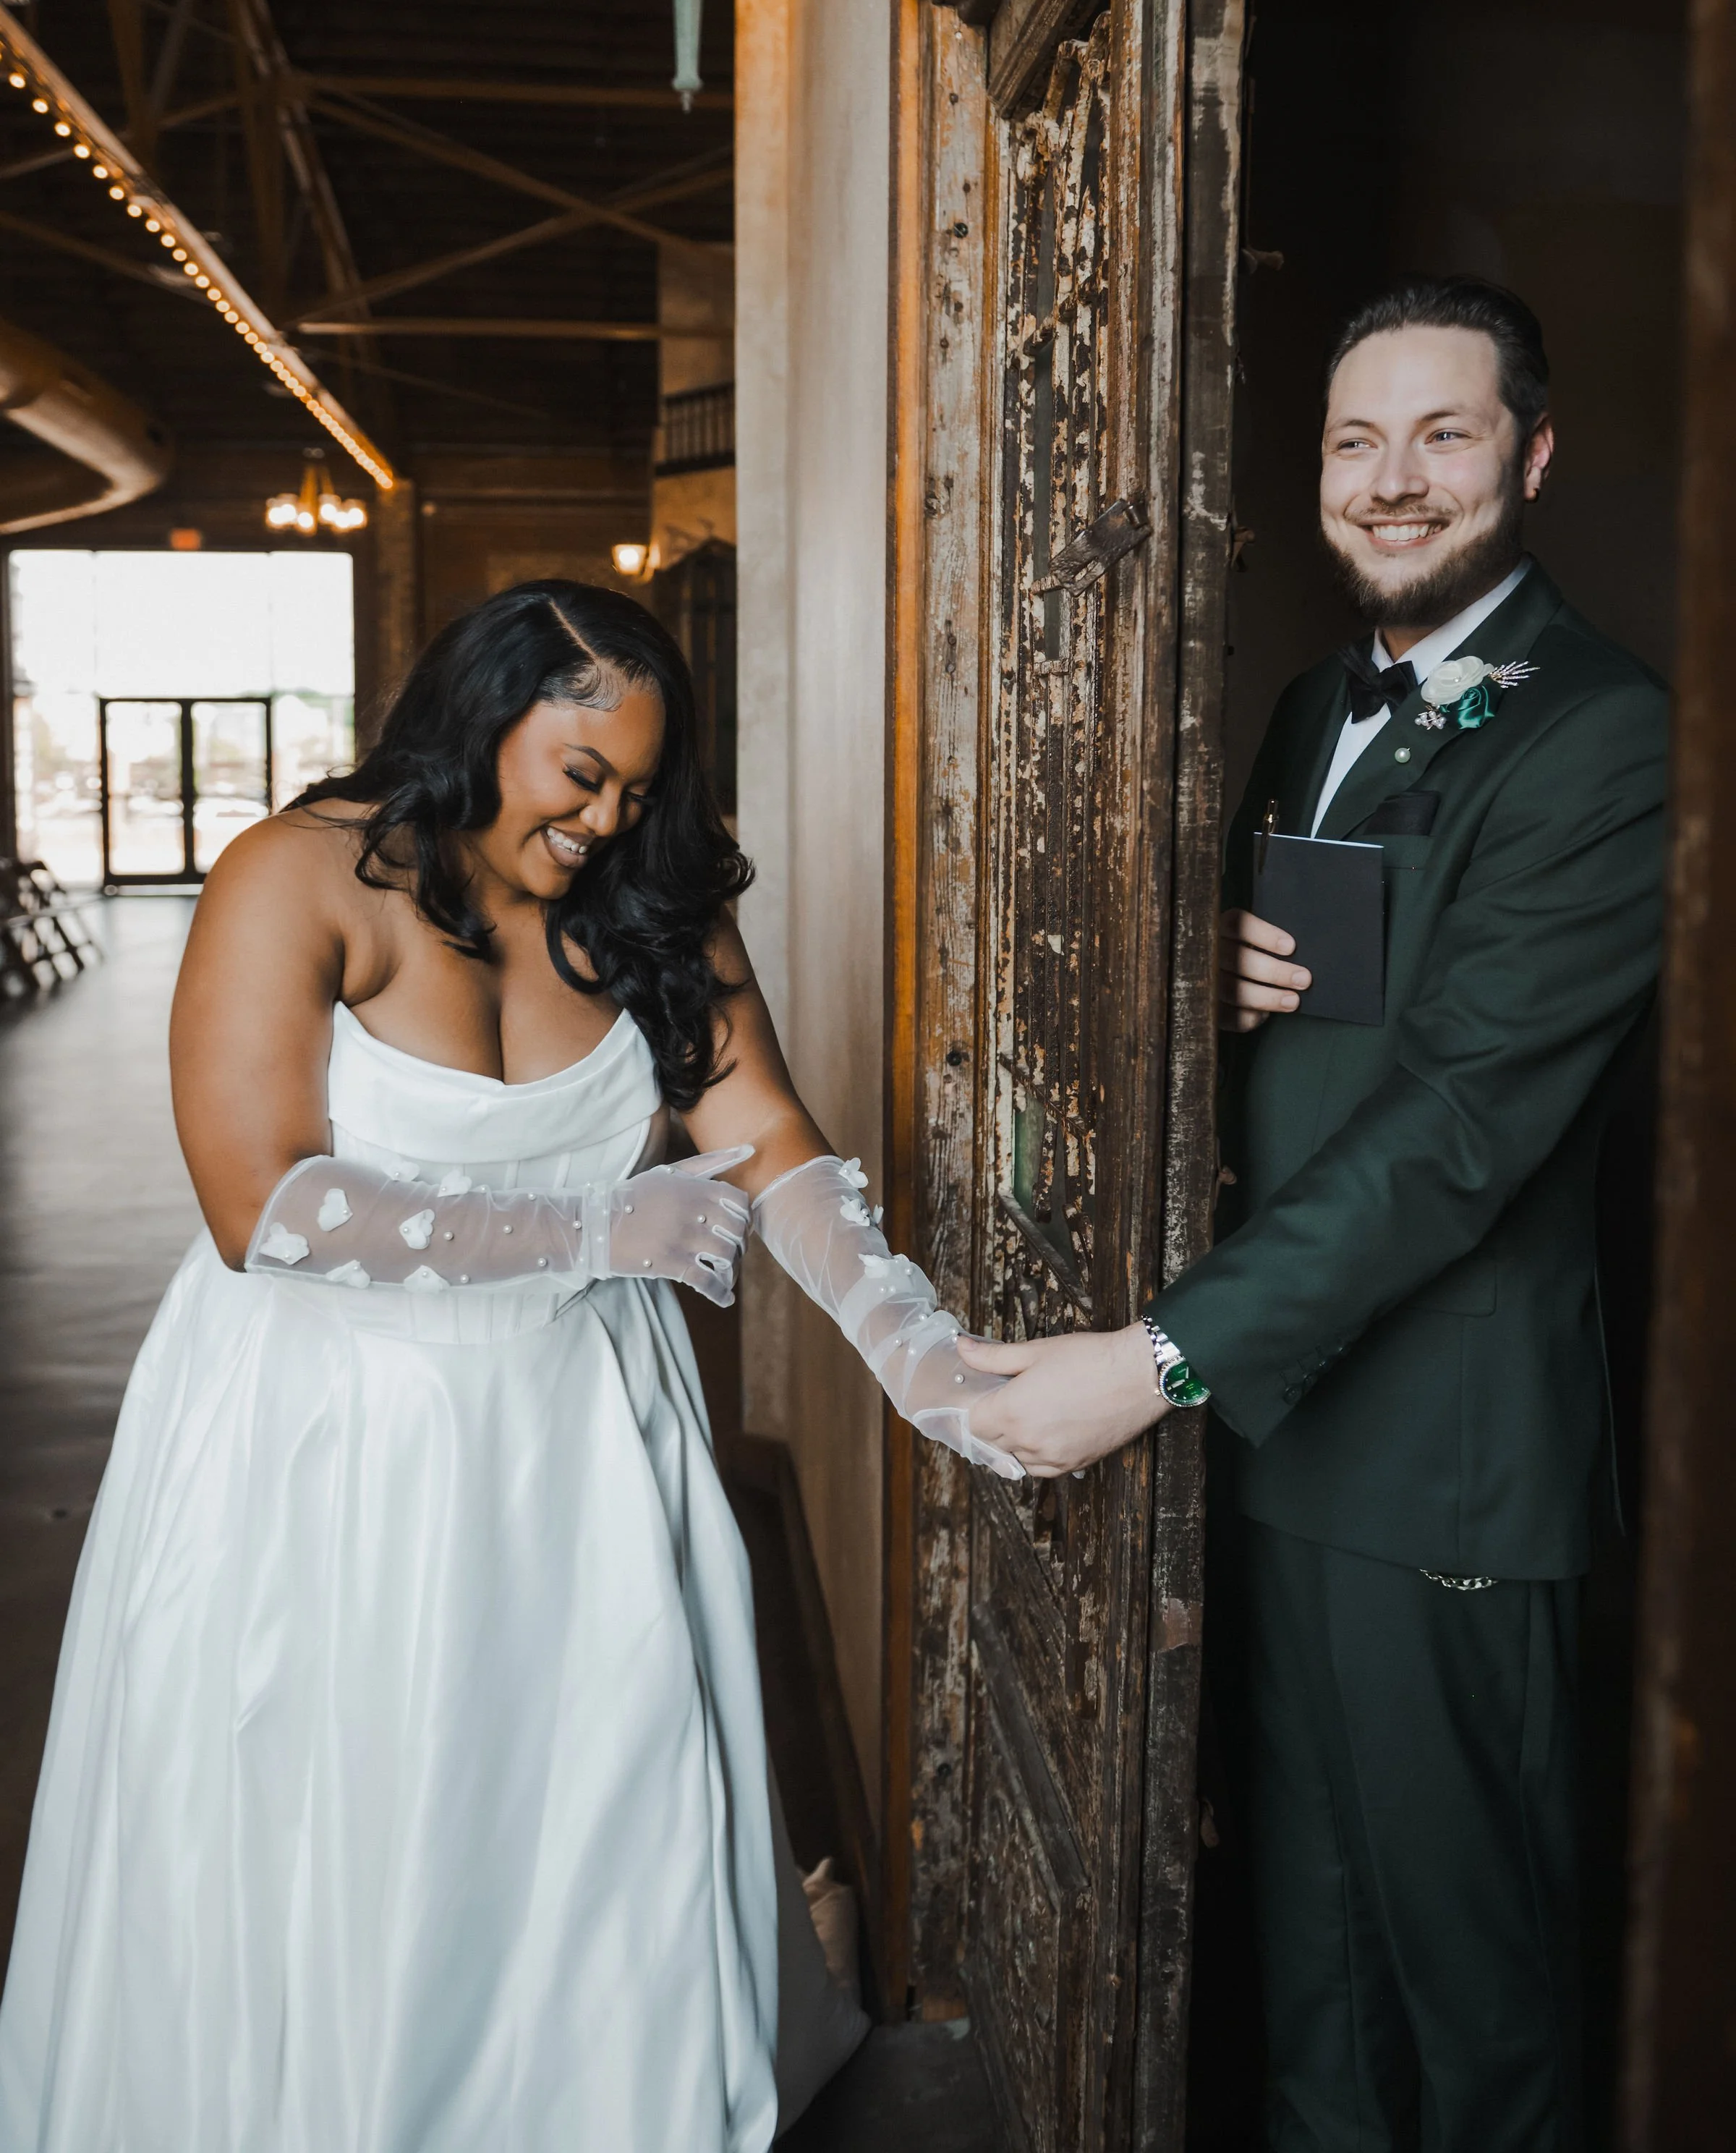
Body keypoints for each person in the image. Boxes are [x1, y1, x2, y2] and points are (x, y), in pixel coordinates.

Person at [0, 580, 1021, 2153]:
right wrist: (591, 1226)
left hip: (581, 1437)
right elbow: (256, 1197)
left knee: (591, 1803)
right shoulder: (296, 876)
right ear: (485, 718)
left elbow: (771, 1151)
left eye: (638, 786)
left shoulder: (653, 905)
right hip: (327, 1440)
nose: (609, 819)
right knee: (350, 1813)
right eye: (581, 775)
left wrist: (920, 1357)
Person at [966, 277, 1669, 2151]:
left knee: (1473, 1998)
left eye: (1443, 435)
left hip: (1442, 1457)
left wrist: (1154, 1360)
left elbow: (1455, 1128)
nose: (1392, 479)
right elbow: (1316, 1039)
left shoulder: (1606, 736)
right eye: (1358, 441)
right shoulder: (1303, 710)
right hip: (1282, 1427)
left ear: (1530, 457)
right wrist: (1190, 981)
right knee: (1312, 1966)